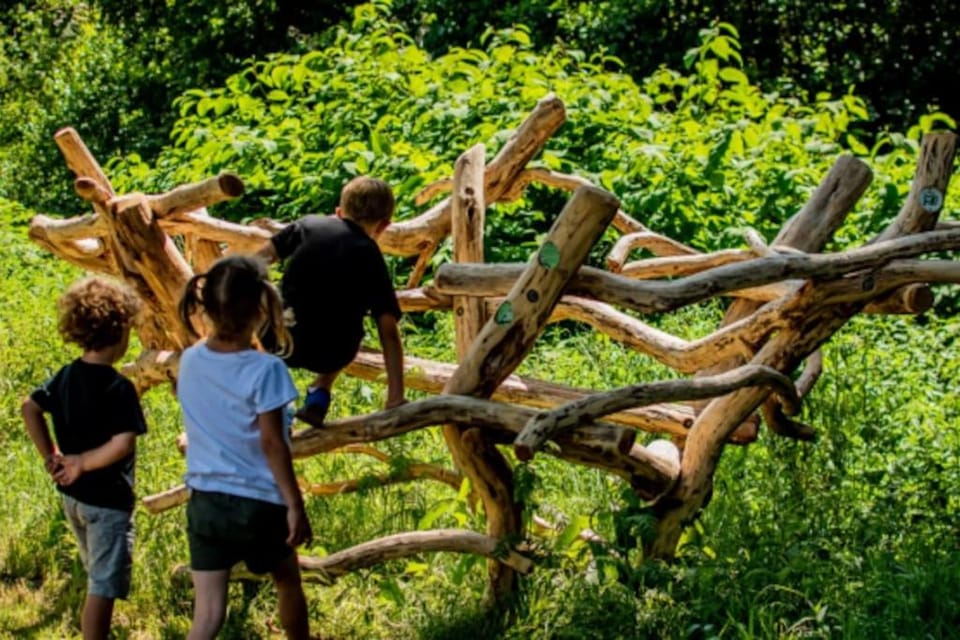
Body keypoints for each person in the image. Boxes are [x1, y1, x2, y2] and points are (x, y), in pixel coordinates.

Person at [177, 255, 312, 640]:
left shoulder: (190, 361)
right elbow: (272, 442)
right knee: (287, 581)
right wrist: (294, 504)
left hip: (205, 500)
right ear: (261, 308)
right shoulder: (266, 370)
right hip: (259, 502)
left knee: (207, 615)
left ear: (206, 308)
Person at [20, 276, 146, 640]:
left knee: (96, 573)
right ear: (120, 330)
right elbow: (122, 444)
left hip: (74, 499)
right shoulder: (118, 387)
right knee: (103, 587)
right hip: (106, 504)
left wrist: (52, 456)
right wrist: (80, 462)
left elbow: (30, 408)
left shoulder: (66, 375)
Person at [257, 175, 405, 426]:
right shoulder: (369, 254)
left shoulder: (309, 225)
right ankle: (320, 390)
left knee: (267, 306)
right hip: (332, 352)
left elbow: (260, 258)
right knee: (351, 329)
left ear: (338, 212)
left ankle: (277, 402)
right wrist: (395, 396)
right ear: (383, 226)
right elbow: (388, 329)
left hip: (280, 339)